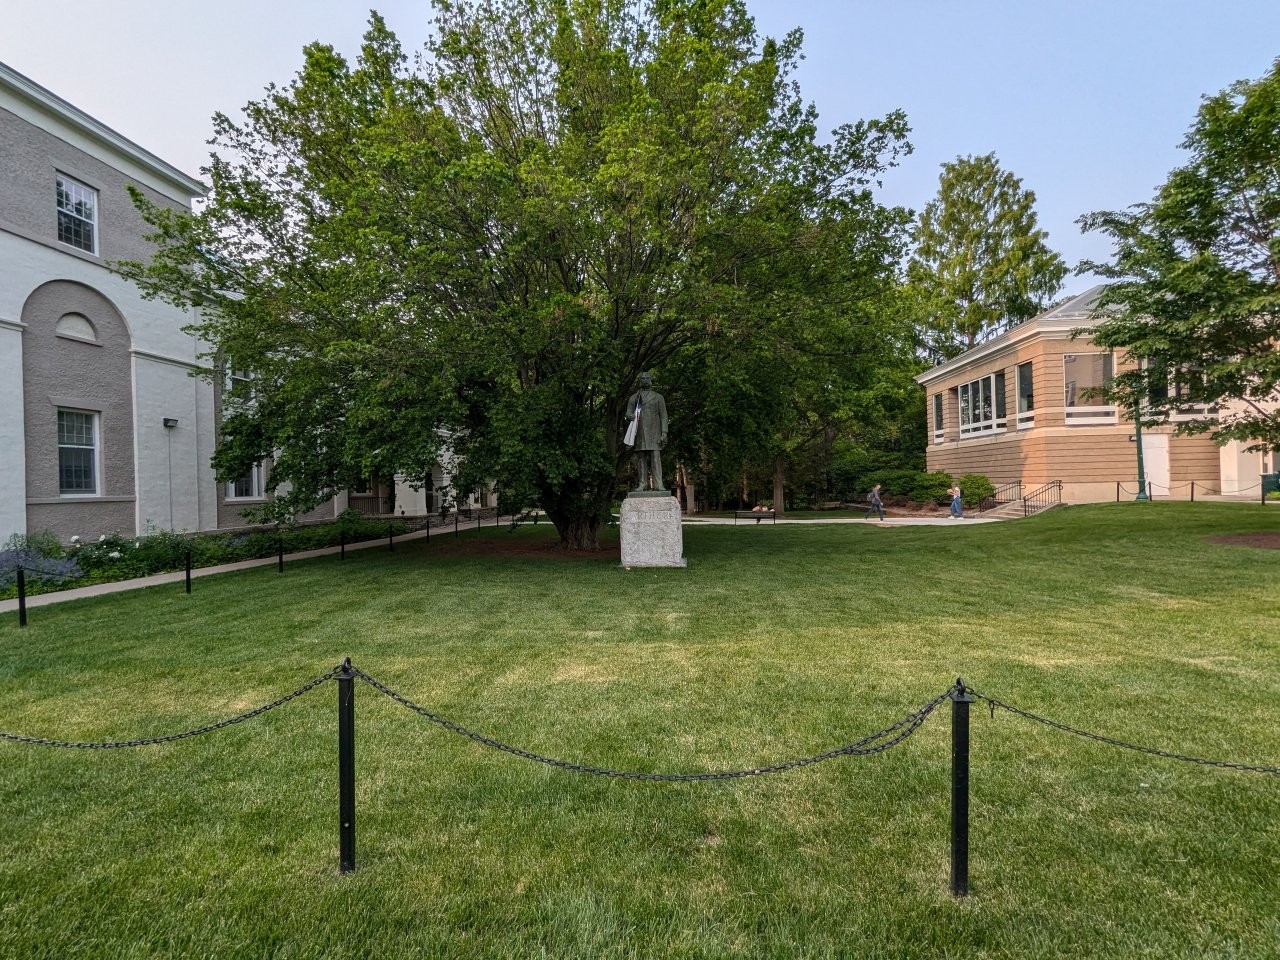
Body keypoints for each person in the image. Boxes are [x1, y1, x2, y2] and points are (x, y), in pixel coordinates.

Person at [624, 372, 669, 491]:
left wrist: (664, 432)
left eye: (647, 378)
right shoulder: (634, 398)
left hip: (655, 432)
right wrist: (629, 415)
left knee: (655, 458)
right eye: (642, 378)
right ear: (640, 381)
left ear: (651, 380)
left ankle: (659, 484)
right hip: (639, 432)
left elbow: (664, 416)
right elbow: (628, 412)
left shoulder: (658, 397)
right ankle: (642, 484)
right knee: (641, 459)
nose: (645, 380)